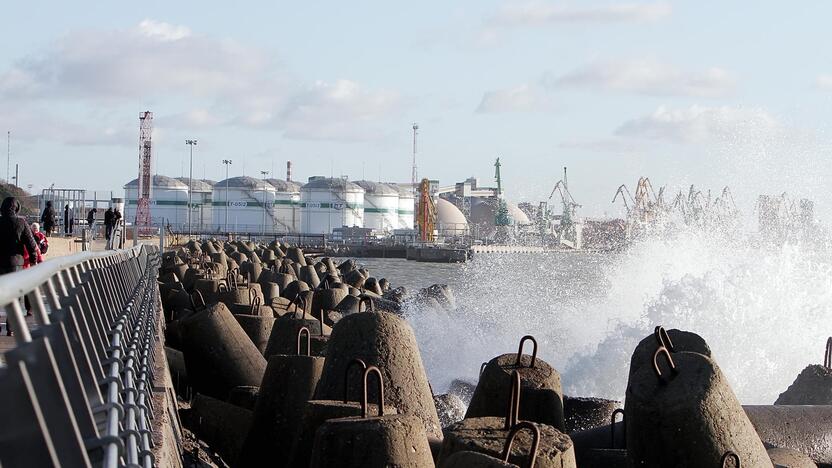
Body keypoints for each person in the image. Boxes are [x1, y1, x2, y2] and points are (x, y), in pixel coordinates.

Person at [0, 197, 41, 335]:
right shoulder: (21, 222)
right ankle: (10, 328)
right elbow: (31, 244)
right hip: (15, 263)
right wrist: (34, 260)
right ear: (16, 208)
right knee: (14, 297)